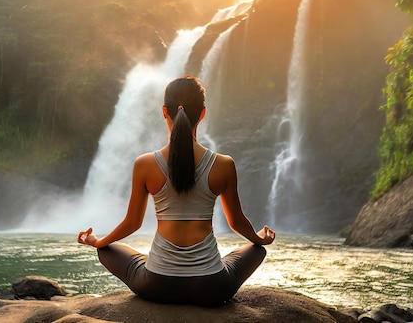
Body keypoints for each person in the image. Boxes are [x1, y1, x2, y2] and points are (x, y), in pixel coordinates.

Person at [78, 75, 275, 306]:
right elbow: (237, 222)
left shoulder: (145, 164)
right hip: (211, 287)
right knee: (257, 251)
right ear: (202, 113)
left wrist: (98, 242)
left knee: (107, 251)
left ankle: (145, 260)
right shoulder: (224, 164)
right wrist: (260, 239)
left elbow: (133, 223)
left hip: (157, 286)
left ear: (164, 112)